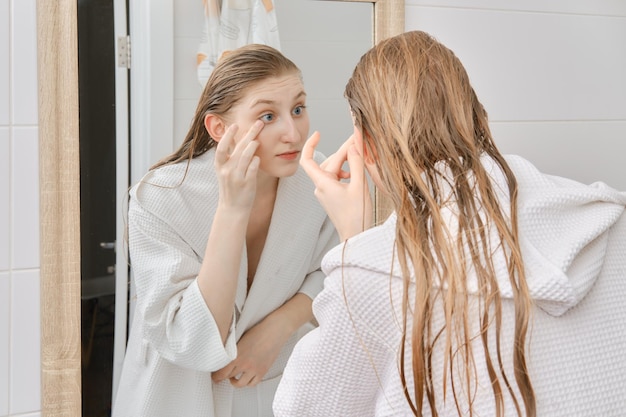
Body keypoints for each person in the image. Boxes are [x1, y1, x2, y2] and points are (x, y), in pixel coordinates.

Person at [273, 30, 626, 416]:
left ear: (368, 147)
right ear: (475, 115)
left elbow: (304, 408)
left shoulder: (375, 271)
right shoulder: (606, 216)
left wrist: (352, 244)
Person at [112, 44, 337, 417]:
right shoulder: (161, 198)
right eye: (267, 116)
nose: (293, 134)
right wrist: (233, 208)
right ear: (219, 128)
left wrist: (278, 327)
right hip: (177, 398)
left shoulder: (315, 180)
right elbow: (191, 338)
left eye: (298, 109)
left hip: (272, 388)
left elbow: (334, 273)